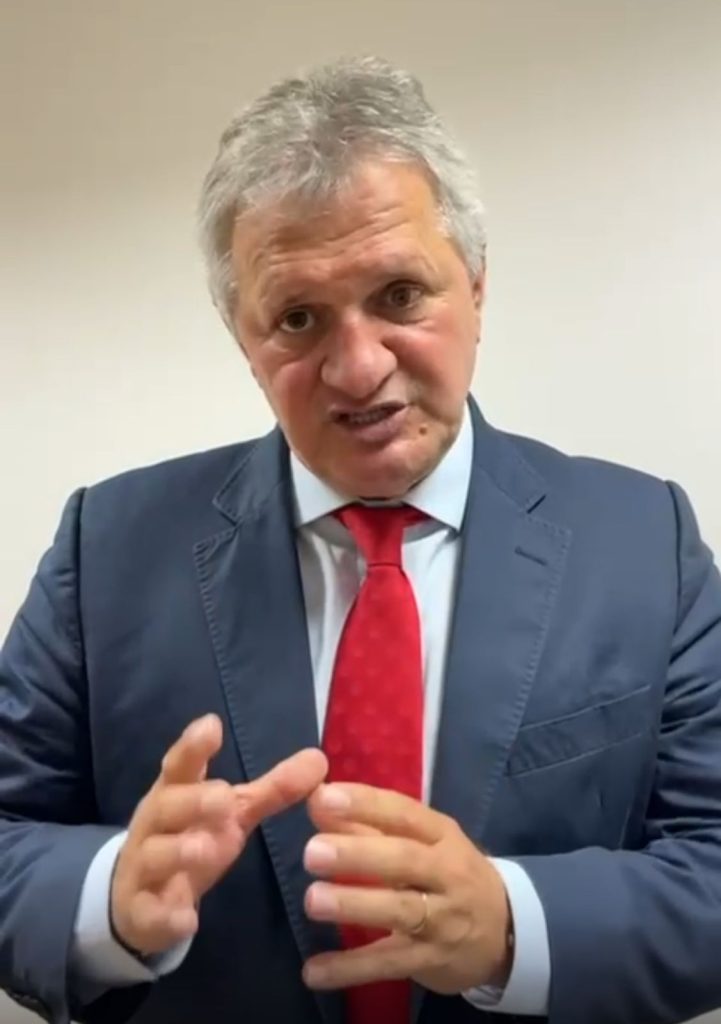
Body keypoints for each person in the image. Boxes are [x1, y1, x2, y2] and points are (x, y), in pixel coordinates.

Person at [1, 56, 721, 1024]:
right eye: (297, 318)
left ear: (475, 285)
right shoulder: (108, 546)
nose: (356, 366)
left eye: (398, 295)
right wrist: (105, 901)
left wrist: (515, 925)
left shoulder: (644, 541)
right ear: (243, 338)